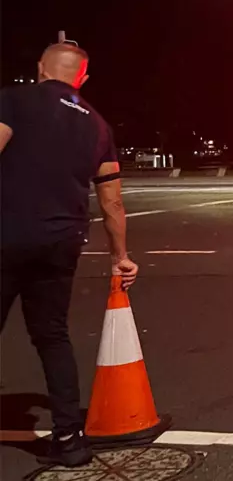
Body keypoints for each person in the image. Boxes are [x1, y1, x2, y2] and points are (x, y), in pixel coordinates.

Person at [0, 44, 139, 467]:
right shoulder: (98, 127)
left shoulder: (14, 99)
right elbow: (112, 201)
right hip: (62, 242)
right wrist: (121, 256)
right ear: (82, 78)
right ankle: (69, 437)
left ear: (40, 68)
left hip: (6, 233)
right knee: (53, 336)